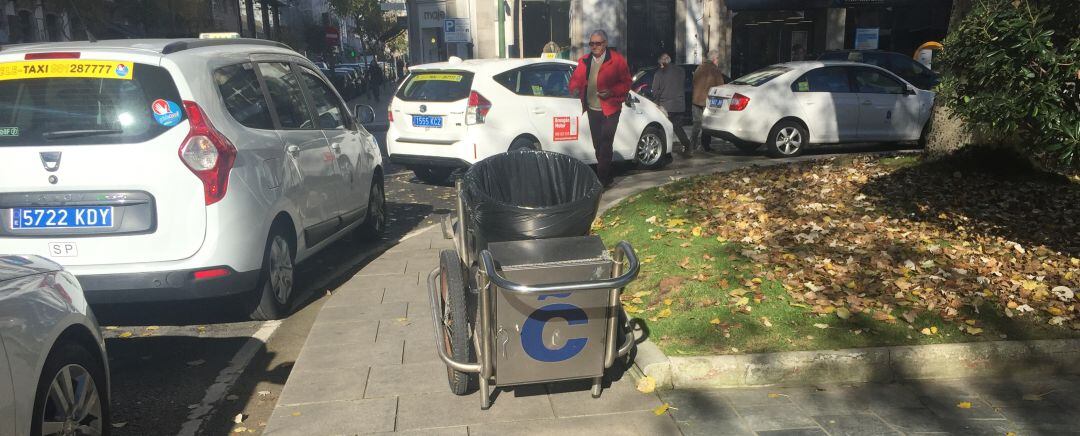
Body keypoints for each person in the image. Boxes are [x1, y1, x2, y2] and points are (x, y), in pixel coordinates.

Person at [569, 29, 632, 188]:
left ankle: (601, 181)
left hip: (610, 109)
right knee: (598, 145)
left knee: (605, 143)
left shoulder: (617, 60)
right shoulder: (585, 60)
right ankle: (608, 175)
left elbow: (626, 84)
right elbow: (575, 80)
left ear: (605, 44)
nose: (594, 46)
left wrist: (611, 92)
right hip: (592, 109)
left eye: (597, 43)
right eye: (591, 43)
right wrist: (575, 89)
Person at [651, 53, 692, 151]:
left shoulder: (659, 73)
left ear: (662, 62)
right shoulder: (681, 71)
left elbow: (655, 91)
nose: (660, 65)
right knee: (677, 127)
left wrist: (656, 102)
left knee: (663, 128)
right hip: (679, 105)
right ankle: (687, 145)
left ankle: (665, 149)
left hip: (665, 106)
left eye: (660, 63)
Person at [689, 49, 725, 154]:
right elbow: (720, 86)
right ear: (714, 59)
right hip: (707, 101)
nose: (718, 61)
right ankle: (705, 146)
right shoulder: (715, 70)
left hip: (696, 100)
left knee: (696, 123)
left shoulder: (699, 68)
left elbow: (694, 81)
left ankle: (692, 144)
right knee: (707, 124)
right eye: (718, 59)